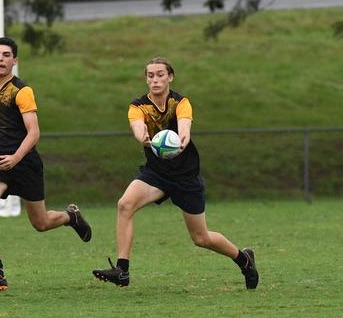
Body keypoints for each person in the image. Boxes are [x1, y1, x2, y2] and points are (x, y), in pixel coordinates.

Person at [92, 57, 259, 290]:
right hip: (156, 174)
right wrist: (143, 137)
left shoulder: (181, 102)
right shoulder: (137, 106)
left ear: (170, 77)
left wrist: (181, 139)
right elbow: (137, 127)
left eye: (160, 74)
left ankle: (244, 259)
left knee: (201, 238)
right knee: (125, 204)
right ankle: (122, 270)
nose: (155, 79)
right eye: (150, 75)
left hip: (185, 176)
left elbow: (185, 125)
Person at [0, 36, 92, 291]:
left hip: (24, 162)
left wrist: (16, 157)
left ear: (15, 60)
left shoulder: (22, 91)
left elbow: (33, 132)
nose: (0, 59)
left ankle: (71, 216)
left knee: (41, 223)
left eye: (6, 55)